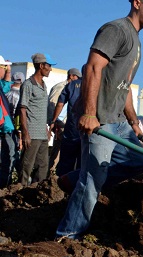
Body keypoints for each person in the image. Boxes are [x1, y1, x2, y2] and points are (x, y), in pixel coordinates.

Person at [56, 0, 143, 239]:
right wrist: (88, 112)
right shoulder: (116, 30)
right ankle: (67, 234)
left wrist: (134, 123)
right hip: (99, 118)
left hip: (118, 120)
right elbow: (92, 68)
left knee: (138, 162)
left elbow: (125, 87)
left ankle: (74, 179)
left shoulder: (136, 40)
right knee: (92, 181)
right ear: (137, 3)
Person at [19, 53, 56, 186]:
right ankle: (20, 192)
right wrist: (25, 133)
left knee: (43, 166)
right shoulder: (28, 85)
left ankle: (36, 193)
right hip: (32, 133)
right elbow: (22, 109)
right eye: (49, 66)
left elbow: (42, 109)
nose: (50, 69)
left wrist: (46, 128)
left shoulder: (43, 85)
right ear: (41, 66)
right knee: (26, 166)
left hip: (42, 134)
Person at [50, 68, 83, 176]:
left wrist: (53, 120)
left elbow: (60, 104)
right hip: (86, 129)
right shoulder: (94, 85)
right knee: (82, 162)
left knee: (66, 161)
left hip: (71, 128)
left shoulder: (71, 85)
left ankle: (61, 186)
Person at [0, 56, 17, 188]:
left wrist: (8, 71)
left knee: (8, 155)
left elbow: (6, 86)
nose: (6, 70)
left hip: (4, 128)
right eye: (4, 68)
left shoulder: (1, 86)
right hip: (2, 127)